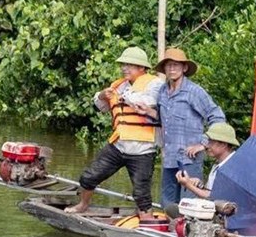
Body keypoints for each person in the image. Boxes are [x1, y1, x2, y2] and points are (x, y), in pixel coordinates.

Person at [73, 46, 166, 215]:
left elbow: (148, 102)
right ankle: (83, 205)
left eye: (129, 65)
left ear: (141, 68)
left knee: (141, 194)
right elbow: (100, 106)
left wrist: (124, 96)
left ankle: (146, 221)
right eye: (123, 64)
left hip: (143, 148)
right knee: (88, 178)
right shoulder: (118, 85)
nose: (124, 68)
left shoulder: (155, 84)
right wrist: (102, 95)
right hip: (118, 145)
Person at [154, 47, 226, 214]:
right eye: (168, 65)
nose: (172, 69)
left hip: (189, 159)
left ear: (184, 68)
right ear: (164, 69)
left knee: (189, 205)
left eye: (176, 65)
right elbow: (161, 119)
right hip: (169, 157)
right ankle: (170, 235)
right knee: (168, 204)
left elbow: (218, 117)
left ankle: (189, 234)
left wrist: (203, 144)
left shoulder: (194, 92)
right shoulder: (162, 92)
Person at [170, 122, 239, 199]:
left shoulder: (231, 167)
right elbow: (211, 190)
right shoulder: (221, 163)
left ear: (223, 145)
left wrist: (188, 184)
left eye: (211, 142)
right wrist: (200, 185)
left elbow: (211, 196)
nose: (207, 145)